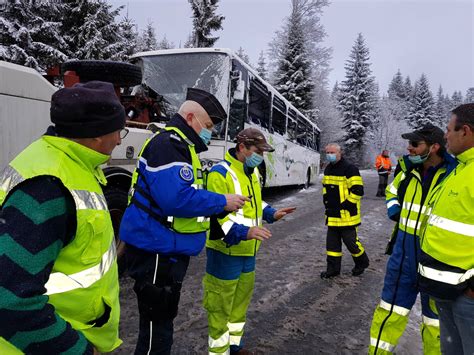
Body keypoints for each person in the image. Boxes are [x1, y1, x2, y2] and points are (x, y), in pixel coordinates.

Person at [119, 88, 249, 355]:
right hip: (156, 249)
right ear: (190, 117)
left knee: (162, 320)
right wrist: (221, 201)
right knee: (157, 328)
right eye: (208, 125)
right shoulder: (169, 144)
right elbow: (175, 199)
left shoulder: (180, 146)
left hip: (165, 248)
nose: (210, 132)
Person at [0, 81, 125, 354]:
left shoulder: (68, 163)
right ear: (94, 135)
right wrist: (75, 348)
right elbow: (9, 300)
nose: (119, 140)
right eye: (118, 131)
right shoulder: (49, 186)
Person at [203, 127, 296, 354]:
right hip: (225, 252)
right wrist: (245, 233)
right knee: (220, 308)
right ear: (242, 147)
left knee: (239, 305)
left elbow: (255, 204)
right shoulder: (220, 173)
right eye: (257, 151)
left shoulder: (252, 172)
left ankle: (235, 346)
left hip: (247, 253)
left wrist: (272, 213)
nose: (261, 157)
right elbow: (216, 217)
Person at [369, 124, 457, 355]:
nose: (409, 148)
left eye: (415, 144)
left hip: (437, 265)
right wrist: (394, 210)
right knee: (389, 314)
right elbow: (391, 191)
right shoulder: (407, 170)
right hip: (403, 259)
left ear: (434, 147)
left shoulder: (454, 175)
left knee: (436, 325)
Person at [418, 104, 474, 355]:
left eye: (450, 129)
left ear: (466, 131)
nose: (445, 135)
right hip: (446, 292)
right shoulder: (461, 168)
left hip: (467, 299)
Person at [321, 143, 369, 278]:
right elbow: (326, 188)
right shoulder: (328, 169)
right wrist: (326, 203)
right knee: (332, 246)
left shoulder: (350, 169)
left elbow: (358, 191)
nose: (329, 155)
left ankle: (362, 262)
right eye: (327, 152)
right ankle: (333, 269)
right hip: (332, 215)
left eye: (332, 152)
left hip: (347, 216)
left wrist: (346, 205)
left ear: (339, 153)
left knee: (351, 243)